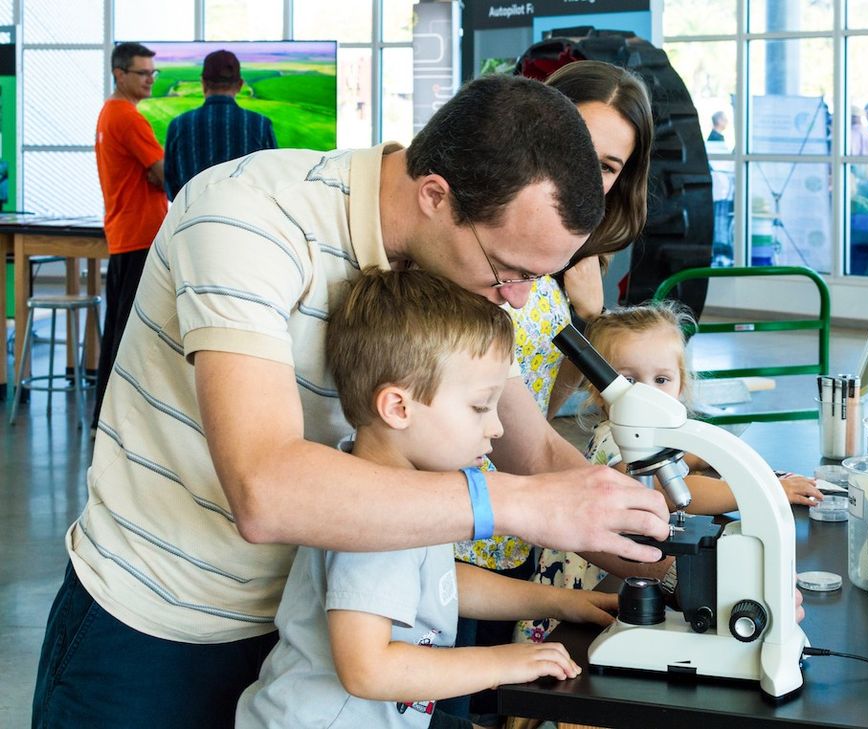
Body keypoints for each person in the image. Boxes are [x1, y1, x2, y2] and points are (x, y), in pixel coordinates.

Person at [32, 73, 672, 729]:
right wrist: (517, 505)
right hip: (159, 626)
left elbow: (528, 444)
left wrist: (665, 558)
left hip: (311, 629)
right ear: (434, 196)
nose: (517, 298)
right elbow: (265, 489)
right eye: (512, 270)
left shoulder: (454, 261)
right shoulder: (248, 216)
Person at [235, 267, 620, 729]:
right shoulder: (373, 520)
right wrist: (507, 662)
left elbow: (440, 584)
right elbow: (368, 669)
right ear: (399, 408)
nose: (496, 428)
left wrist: (559, 602)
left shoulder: (410, 491)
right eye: (480, 406)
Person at [447, 60, 654, 724]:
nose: (585, 179)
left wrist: (585, 319)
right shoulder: (476, 249)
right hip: (447, 523)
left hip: (516, 524)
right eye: (575, 152)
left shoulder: (581, 259)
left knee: (493, 697)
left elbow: (542, 407)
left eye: (607, 166)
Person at [513, 302, 816, 644]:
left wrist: (703, 458)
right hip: (590, 584)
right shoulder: (614, 434)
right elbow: (665, 491)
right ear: (600, 391)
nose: (646, 393)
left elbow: (675, 459)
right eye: (628, 381)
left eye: (661, 380)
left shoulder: (655, 432)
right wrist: (762, 489)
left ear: (681, 383)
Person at [91, 41, 168, 432]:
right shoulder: (128, 118)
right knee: (131, 334)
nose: (151, 79)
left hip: (125, 233)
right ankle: (119, 422)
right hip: (141, 236)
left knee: (120, 330)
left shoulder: (109, 112)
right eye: (143, 73)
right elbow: (161, 172)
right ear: (120, 74)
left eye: (154, 72)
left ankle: (106, 417)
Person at [164, 49, 278, 201]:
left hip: (193, 222)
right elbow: (272, 183)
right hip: (245, 221)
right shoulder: (261, 125)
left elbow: (172, 189)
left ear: (203, 83)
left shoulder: (178, 125)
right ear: (239, 85)